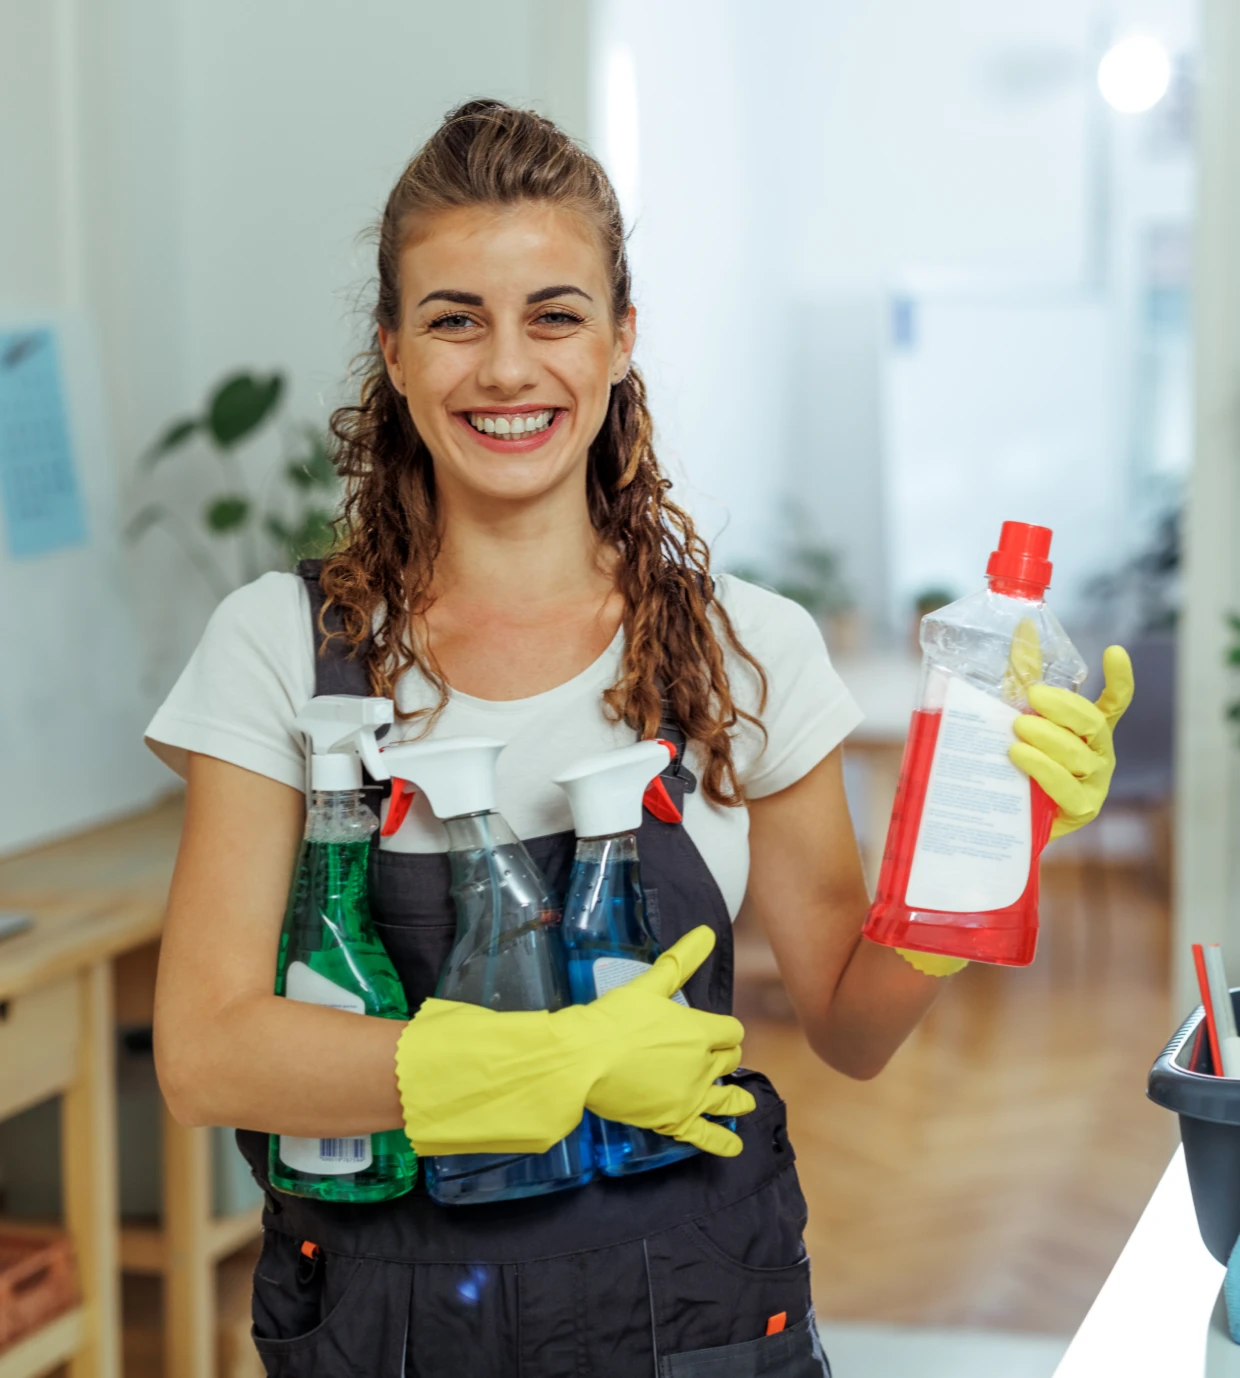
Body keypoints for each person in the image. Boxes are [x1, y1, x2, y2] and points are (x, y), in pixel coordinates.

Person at [146, 100, 1132, 1376]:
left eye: (554, 315)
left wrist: (987, 855)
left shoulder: (747, 649)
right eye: (456, 319)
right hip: (388, 1328)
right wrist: (553, 1064)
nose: (507, 369)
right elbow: (208, 1052)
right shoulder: (283, 644)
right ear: (392, 353)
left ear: (620, 342)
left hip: (697, 1319)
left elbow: (848, 1022)